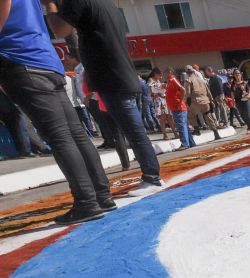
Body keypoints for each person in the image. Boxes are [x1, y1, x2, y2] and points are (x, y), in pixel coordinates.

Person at [0, 0, 114, 223]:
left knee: (60, 136)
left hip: (21, 62)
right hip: (45, 61)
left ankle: (86, 202)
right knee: (75, 134)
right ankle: (101, 195)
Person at [43, 0, 162, 195]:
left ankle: (152, 178)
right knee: (134, 132)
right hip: (119, 75)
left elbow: (60, 30)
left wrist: (50, 6)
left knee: (134, 133)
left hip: (112, 77)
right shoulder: (105, 4)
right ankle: (151, 176)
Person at [184, 65, 221, 140]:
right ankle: (216, 133)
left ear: (187, 73)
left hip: (196, 101)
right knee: (208, 116)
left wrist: (185, 101)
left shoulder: (188, 80)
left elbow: (187, 93)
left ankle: (196, 130)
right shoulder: (201, 80)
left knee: (191, 115)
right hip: (205, 100)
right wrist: (211, 100)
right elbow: (208, 91)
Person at [164, 68, 193, 150]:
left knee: (181, 126)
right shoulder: (170, 82)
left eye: (165, 72)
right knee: (184, 126)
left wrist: (180, 102)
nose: (164, 75)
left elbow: (183, 90)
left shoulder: (173, 80)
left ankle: (184, 144)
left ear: (170, 72)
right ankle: (190, 142)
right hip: (176, 107)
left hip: (178, 108)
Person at [147, 68, 177, 141]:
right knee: (163, 118)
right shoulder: (151, 80)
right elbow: (152, 90)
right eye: (160, 75)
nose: (161, 77)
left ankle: (175, 133)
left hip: (164, 99)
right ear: (155, 74)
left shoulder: (157, 80)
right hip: (159, 100)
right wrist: (162, 87)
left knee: (170, 117)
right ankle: (165, 135)